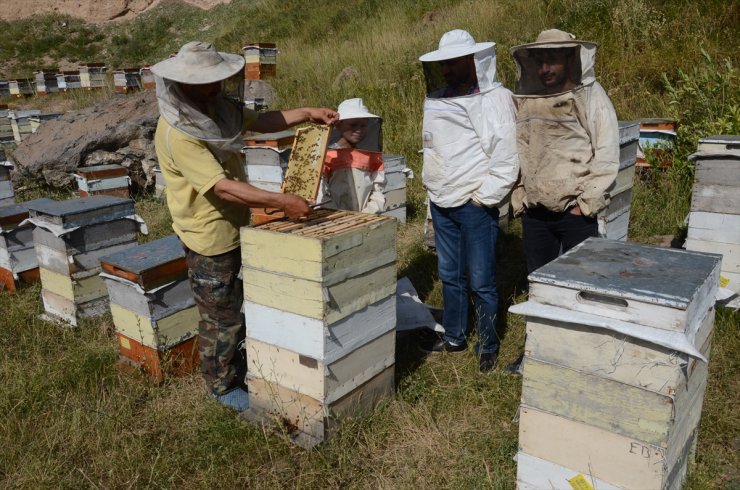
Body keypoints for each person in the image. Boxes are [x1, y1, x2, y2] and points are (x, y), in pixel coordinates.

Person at [151, 41, 338, 411]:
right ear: (184, 85)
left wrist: (307, 112)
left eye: (219, 79)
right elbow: (222, 188)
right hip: (209, 236)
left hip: (235, 225)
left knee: (237, 306)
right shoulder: (179, 131)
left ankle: (240, 363)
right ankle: (219, 386)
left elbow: (261, 122)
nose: (218, 87)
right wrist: (284, 201)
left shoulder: (215, 107)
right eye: (209, 82)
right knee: (219, 316)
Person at [507, 29, 619, 373]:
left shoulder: (590, 96)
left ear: (570, 59)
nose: (545, 68)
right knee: (539, 286)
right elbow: (519, 150)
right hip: (536, 213)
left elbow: (607, 153)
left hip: (574, 213)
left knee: (581, 288)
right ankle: (537, 354)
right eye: (540, 61)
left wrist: (585, 204)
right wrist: (520, 196)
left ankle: (581, 358)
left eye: (552, 59)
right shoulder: (526, 99)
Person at [417, 30, 519, 372]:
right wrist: (433, 190)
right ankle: (456, 337)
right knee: (449, 274)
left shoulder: (494, 98)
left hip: (473, 204)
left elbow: (506, 158)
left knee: (481, 280)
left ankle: (488, 343)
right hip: (441, 201)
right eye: (443, 63)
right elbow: (435, 147)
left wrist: (481, 200)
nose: (446, 69)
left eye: (453, 62)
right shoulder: (439, 97)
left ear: (474, 61)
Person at [317, 98, 386, 213]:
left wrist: (370, 211)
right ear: (338, 125)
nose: (359, 130)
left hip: (365, 218)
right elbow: (320, 192)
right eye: (353, 125)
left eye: (363, 126)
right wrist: (334, 214)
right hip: (334, 219)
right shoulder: (328, 155)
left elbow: (378, 188)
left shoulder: (370, 156)